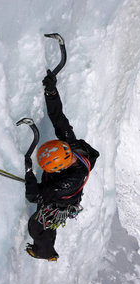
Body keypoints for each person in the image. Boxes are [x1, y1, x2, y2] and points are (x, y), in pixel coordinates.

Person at [25, 70, 99, 261]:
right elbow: (58, 118)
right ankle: (49, 248)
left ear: (59, 168)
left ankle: (44, 252)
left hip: (61, 201)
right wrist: (52, 93)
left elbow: (35, 195)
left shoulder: (66, 183)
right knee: (46, 224)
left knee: (36, 226)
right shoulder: (72, 146)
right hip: (60, 190)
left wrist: (29, 174)